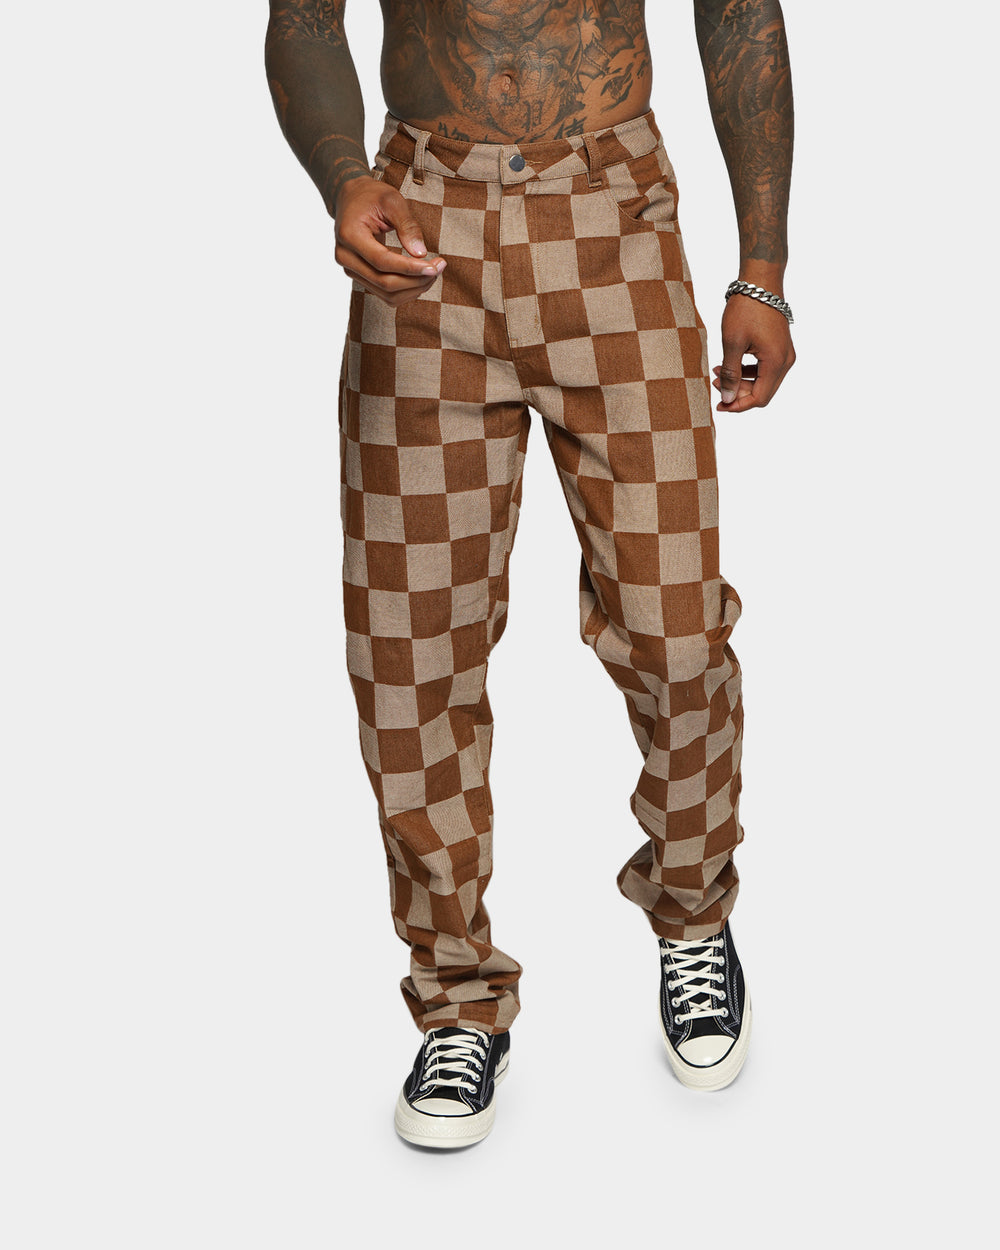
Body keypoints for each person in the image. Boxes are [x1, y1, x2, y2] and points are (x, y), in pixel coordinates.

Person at [264, 0, 795, 1148]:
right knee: (408, 652)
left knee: (675, 629)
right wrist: (346, 181)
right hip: (423, 227)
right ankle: (456, 994)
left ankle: (693, 914)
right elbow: (302, 14)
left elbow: (737, 9)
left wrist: (761, 268)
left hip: (613, 217)